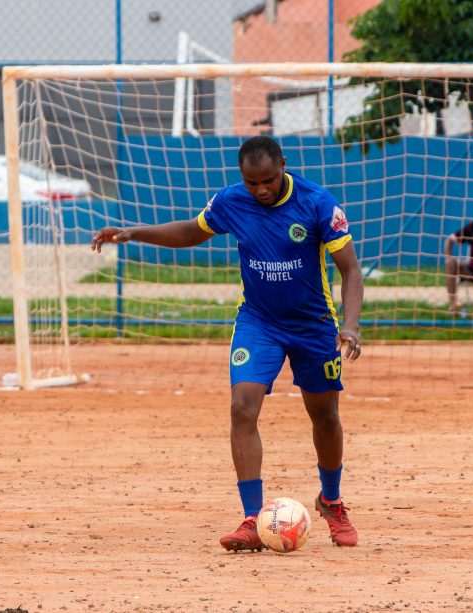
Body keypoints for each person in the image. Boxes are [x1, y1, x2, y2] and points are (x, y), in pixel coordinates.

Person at [91, 136, 364, 550]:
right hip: (259, 322)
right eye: (252, 183)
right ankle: (253, 519)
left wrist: (352, 326)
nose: (261, 190)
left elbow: (350, 269)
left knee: (324, 415)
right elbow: (191, 230)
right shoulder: (232, 201)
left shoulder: (319, 203)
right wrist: (133, 233)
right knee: (242, 407)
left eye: (269, 180)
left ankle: (331, 501)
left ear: (283, 167)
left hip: (313, 324)